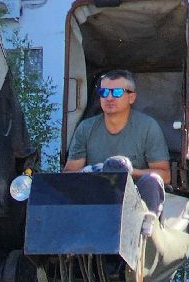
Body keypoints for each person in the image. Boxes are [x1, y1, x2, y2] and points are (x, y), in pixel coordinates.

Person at [64, 68, 171, 216]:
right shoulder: (85, 128)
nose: (109, 98)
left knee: (152, 180)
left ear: (131, 97)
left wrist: (127, 173)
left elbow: (165, 175)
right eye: (104, 92)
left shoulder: (148, 127)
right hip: (95, 201)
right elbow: (68, 175)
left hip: (135, 204)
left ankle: (147, 224)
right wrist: (91, 172)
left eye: (117, 92)